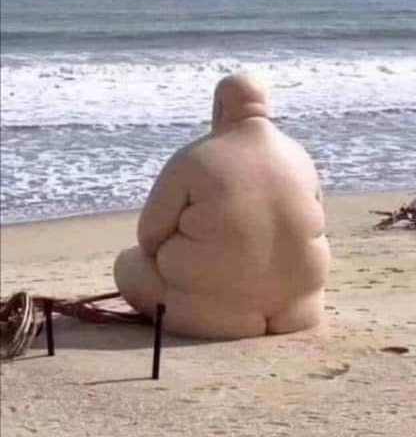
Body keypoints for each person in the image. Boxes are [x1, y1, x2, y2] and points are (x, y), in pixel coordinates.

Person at [114, 73, 330, 339]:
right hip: (299, 308)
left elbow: (149, 238)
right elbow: (318, 226)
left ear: (218, 109)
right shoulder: (299, 155)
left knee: (128, 263)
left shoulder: (194, 158)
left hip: (209, 312)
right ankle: (281, 307)